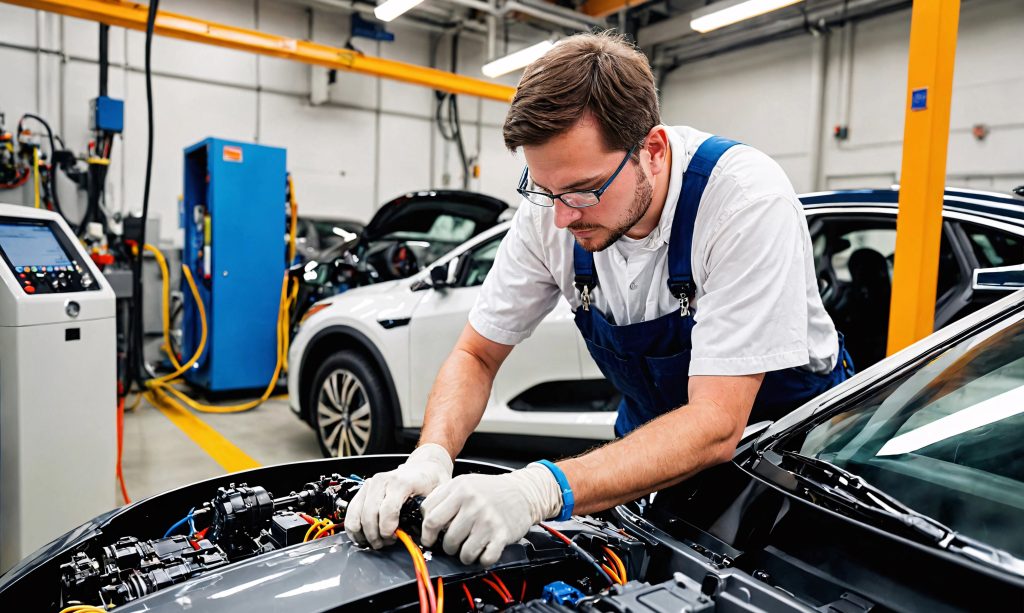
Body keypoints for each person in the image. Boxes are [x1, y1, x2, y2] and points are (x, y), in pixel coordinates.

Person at [345, 31, 854, 567]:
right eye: (545, 190)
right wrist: (430, 456)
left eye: (583, 190)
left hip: (786, 456)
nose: (563, 216)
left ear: (652, 151)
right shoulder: (552, 211)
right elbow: (477, 354)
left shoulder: (743, 201)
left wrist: (541, 488)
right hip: (649, 439)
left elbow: (716, 423)